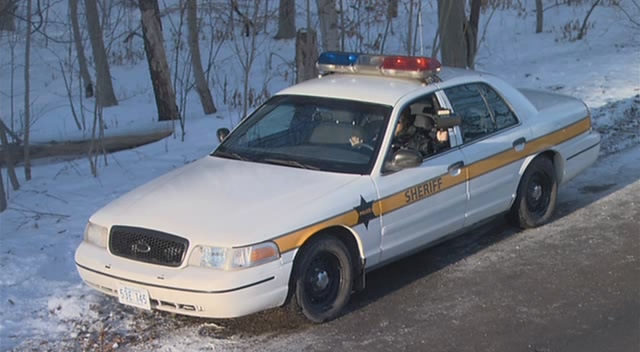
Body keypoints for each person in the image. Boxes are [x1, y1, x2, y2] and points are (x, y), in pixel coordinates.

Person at [351, 109, 448, 156]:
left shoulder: (417, 139)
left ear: (405, 121)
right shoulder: (379, 136)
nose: (391, 125)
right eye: (388, 121)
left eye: (397, 121)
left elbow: (429, 153)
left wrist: (439, 143)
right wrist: (359, 147)